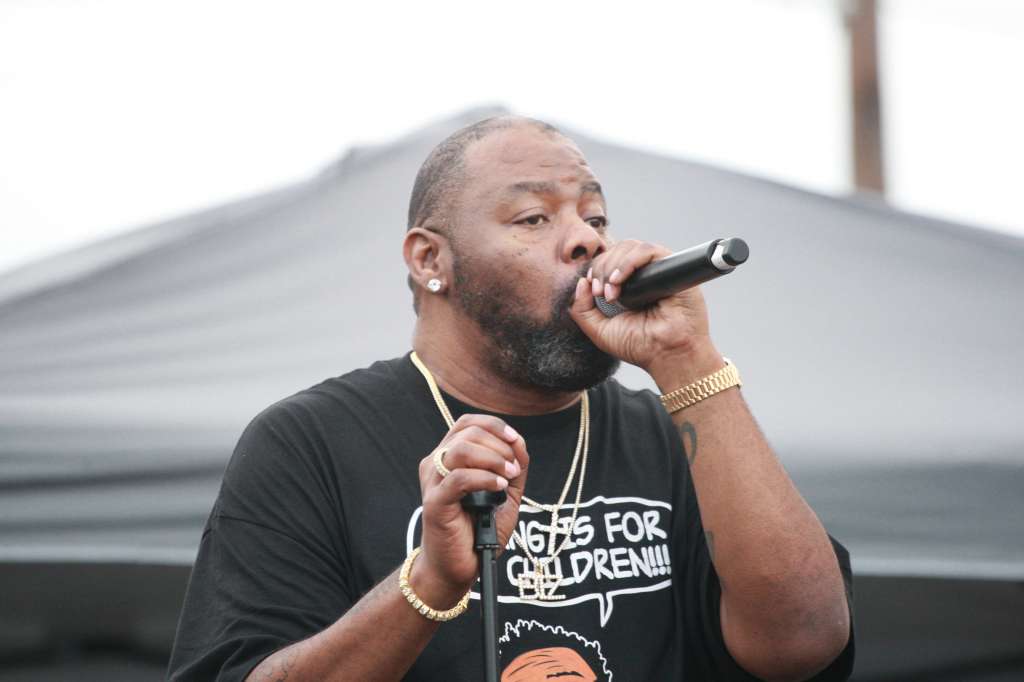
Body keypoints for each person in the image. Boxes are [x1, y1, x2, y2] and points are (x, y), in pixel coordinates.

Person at [168, 116, 855, 681]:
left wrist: (688, 362)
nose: (587, 238)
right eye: (533, 218)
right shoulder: (310, 443)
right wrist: (430, 582)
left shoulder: (674, 434)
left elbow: (804, 642)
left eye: (596, 215)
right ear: (430, 260)